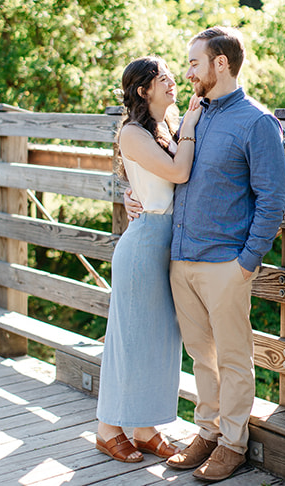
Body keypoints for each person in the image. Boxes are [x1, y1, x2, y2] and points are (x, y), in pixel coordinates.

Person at [126, 26, 285, 482]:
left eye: (194, 63)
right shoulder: (191, 116)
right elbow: (151, 166)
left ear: (220, 63)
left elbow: (272, 200)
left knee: (233, 357)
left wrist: (247, 261)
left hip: (226, 264)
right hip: (181, 258)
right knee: (201, 355)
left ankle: (233, 443)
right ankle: (208, 431)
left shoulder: (257, 123)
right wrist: (127, 193)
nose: (188, 73)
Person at [95, 56, 201, 464]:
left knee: (162, 338)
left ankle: (143, 427)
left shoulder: (167, 128)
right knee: (130, 337)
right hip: (143, 245)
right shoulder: (132, 132)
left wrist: (185, 126)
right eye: (162, 79)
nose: (173, 82)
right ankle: (108, 427)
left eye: (171, 76)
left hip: (169, 244)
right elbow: (178, 174)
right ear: (143, 91)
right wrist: (190, 126)